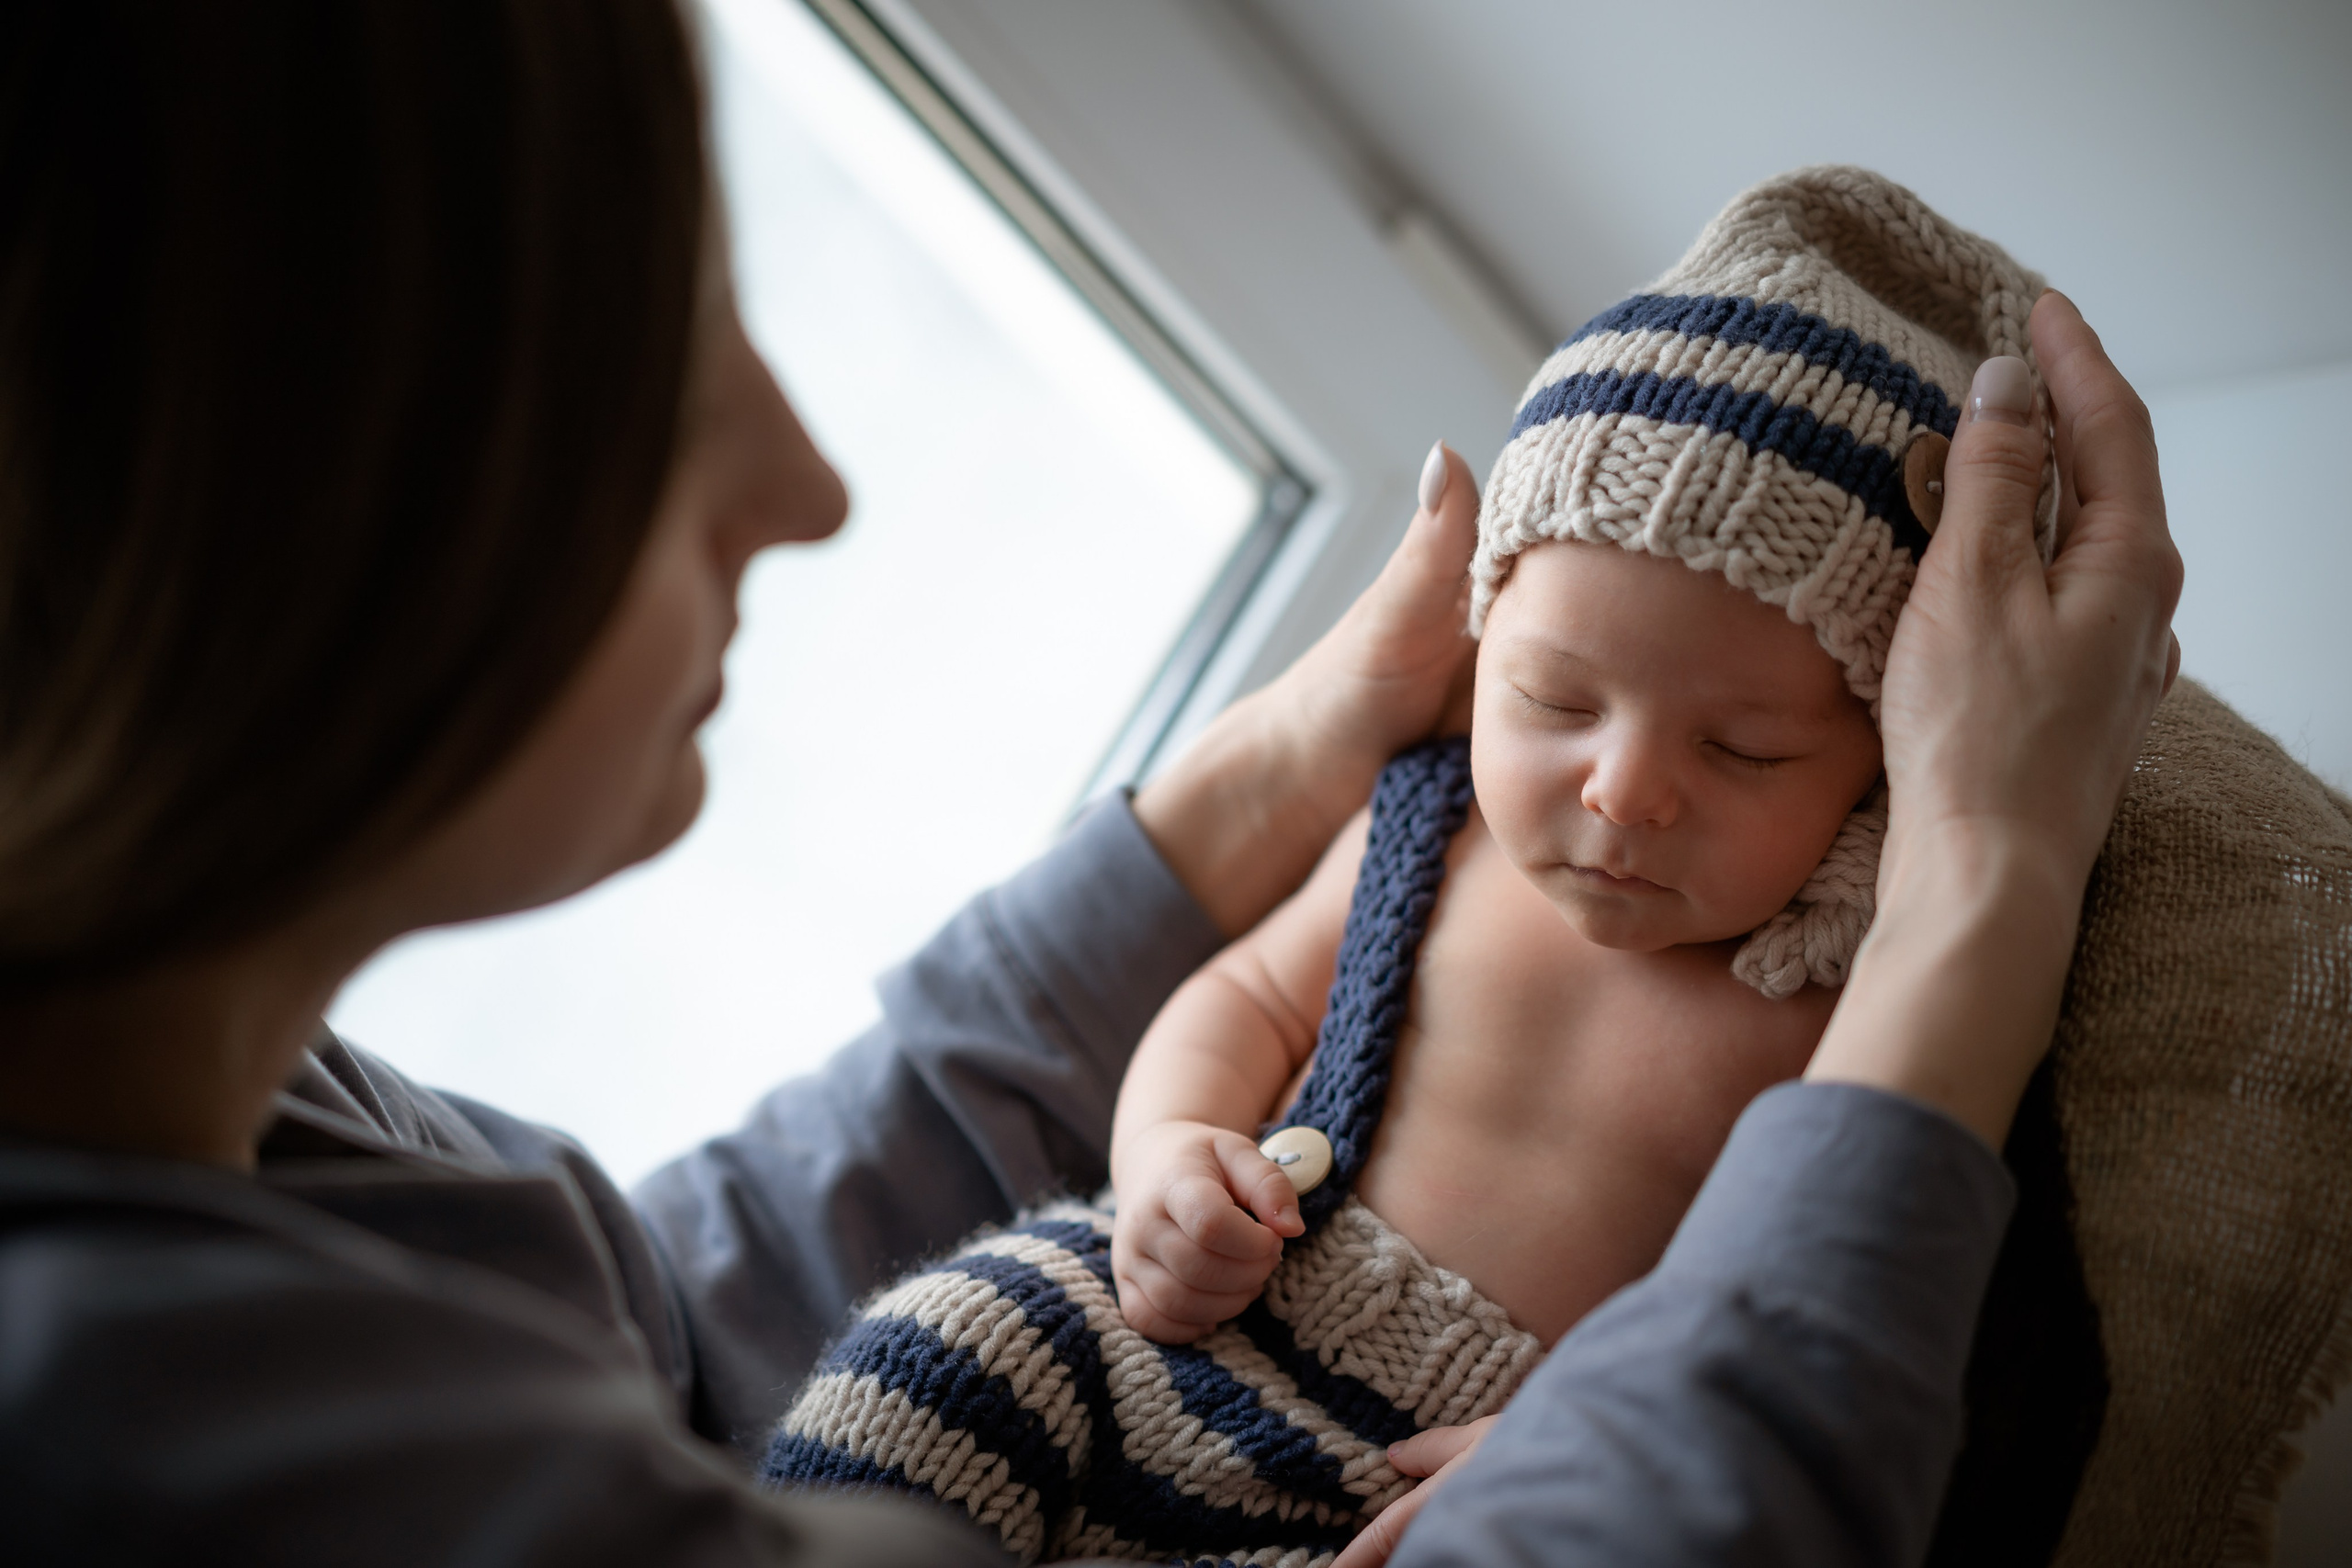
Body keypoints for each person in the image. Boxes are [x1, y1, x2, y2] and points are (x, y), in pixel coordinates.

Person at [0, 6, 2180, 1567]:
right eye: (652, 361)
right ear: (218, 501)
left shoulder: (252, 1173)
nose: (811, 481)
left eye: (1732, 738)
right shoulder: (121, 1421)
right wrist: (1980, 895)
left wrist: (1285, 757)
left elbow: (689, 1319)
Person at [762, 169, 2158, 1568]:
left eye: (1745, 751)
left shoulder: (1851, 989)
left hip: (1407, 1478)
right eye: (1555, 701)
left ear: (1884, 766)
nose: (1624, 789)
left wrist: (1589, 1429)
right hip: (1164, 1324)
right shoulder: (1435, 828)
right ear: (1485, 642)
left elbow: (1837, 1298)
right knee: (949, 1339)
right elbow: (1247, 997)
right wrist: (1171, 1153)